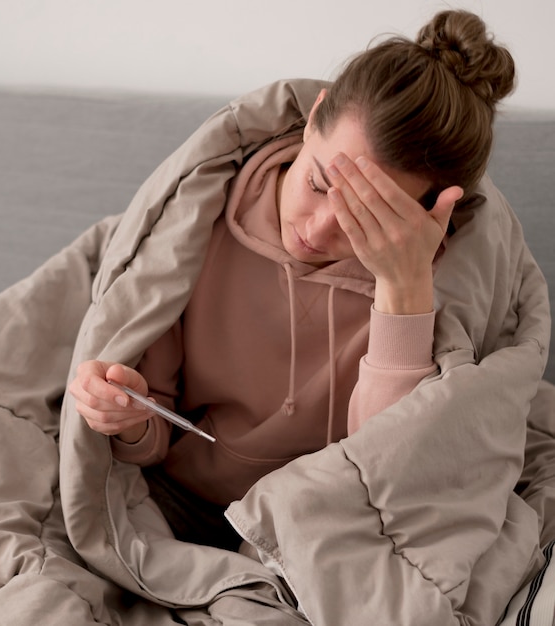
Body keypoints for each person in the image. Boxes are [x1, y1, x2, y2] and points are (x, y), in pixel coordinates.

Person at [69, 9, 516, 550]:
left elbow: (394, 484)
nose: (318, 229)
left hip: (322, 536)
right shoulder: (199, 223)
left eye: (364, 219)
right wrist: (129, 418)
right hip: (178, 508)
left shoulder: (444, 284)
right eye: (320, 183)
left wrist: (404, 291)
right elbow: (151, 442)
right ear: (315, 115)